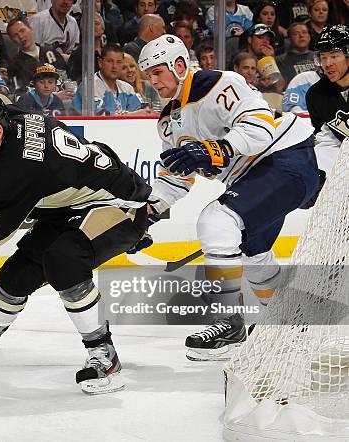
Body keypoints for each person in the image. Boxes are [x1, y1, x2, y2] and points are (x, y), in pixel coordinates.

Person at [0, 91, 153, 393]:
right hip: (72, 204)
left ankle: (104, 355)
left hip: (120, 205)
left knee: (64, 261)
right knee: (15, 276)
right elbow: (0, 98)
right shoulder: (12, 118)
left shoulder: (14, 170)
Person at [139, 34, 319, 361]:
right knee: (255, 254)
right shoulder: (167, 123)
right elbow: (177, 177)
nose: (152, 81)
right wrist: (148, 212)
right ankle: (285, 326)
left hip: (286, 158)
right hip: (256, 176)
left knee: (216, 220)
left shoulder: (218, 84)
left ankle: (229, 321)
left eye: (157, 72)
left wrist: (216, 149)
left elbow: (259, 127)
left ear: (180, 66)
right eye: (148, 75)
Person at [306, 25, 348, 176]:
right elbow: (327, 140)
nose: (327, 63)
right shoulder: (316, 95)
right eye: (323, 57)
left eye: (334, 56)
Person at [6, 16, 69, 97]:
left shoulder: (50, 52)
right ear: (12, 40)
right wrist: (54, 98)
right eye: (15, 35)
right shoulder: (14, 66)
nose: (21, 36)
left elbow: (65, 77)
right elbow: (20, 94)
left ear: (31, 29)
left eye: (22, 31)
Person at [72, 43, 142, 115]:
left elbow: (138, 112)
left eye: (119, 62)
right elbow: (99, 116)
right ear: (100, 62)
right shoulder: (89, 86)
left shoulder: (127, 88)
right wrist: (129, 115)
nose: (114, 66)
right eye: (110, 61)